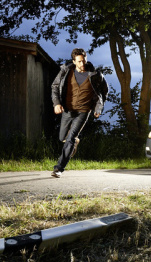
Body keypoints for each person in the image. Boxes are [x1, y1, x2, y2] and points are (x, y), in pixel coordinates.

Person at [50, 48, 108, 178]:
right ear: (74, 61)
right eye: (79, 62)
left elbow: (103, 92)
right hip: (68, 110)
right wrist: (57, 103)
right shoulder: (66, 71)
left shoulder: (95, 75)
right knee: (62, 138)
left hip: (83, 111)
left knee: (70, 139)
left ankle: (59, 168)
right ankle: (75, 142)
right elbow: (55, 86)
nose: (82, 64)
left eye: (84, 60)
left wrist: (98, 108)